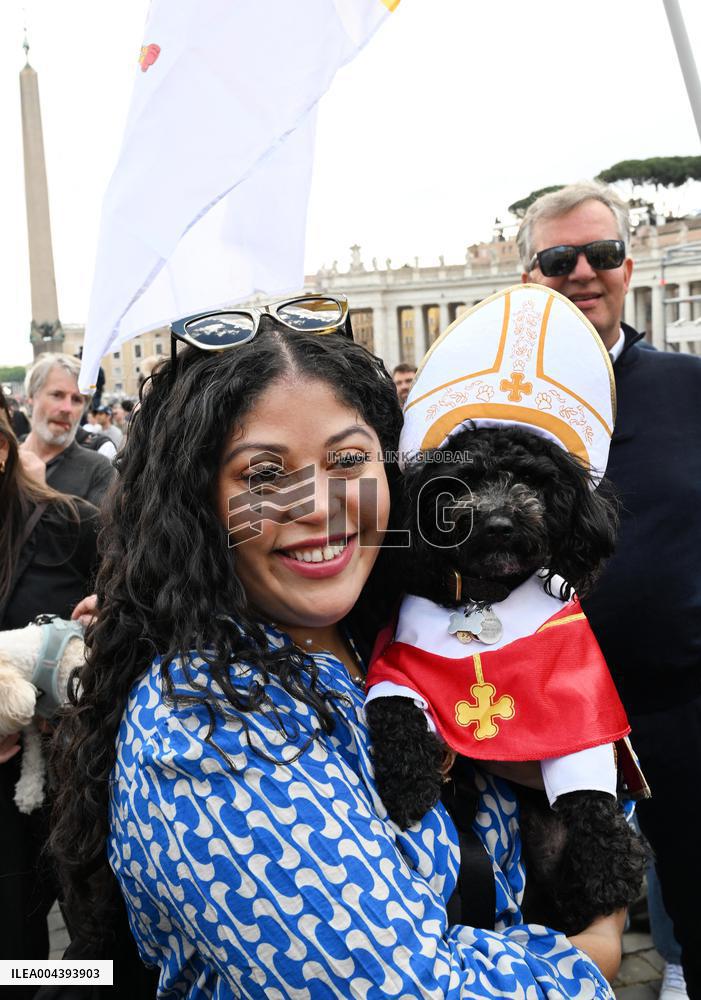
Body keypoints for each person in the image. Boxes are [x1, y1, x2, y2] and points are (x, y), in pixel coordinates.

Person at [50, 298, 625, 998]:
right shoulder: (204, 726)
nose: (320, 506)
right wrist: (594, 952)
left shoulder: (386, 632)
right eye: (263, 474)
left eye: (348, 459)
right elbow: (405, 990)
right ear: (193, 507)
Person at [519, 179, 701, 1000]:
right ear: (531, 279)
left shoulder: (687, 387)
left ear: (628, 267)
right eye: (560, 258)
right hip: (542, 723)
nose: (582, 271)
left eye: (601, 254)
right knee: (561, 918)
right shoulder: (495, 404)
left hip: (681, 703)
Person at [0, 392, 99, 976]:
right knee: (12, 955)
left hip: (70, 785)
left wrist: (108, 610)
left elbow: (145, 603)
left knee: (93, 951)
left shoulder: (70, 523)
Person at [21, 354, 116, 507]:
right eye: (57, 395)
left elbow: (98, 529)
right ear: (31, 398)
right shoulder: (7, 456)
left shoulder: (99, 470)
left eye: (77, 400)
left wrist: (39, 493)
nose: (67, 409)